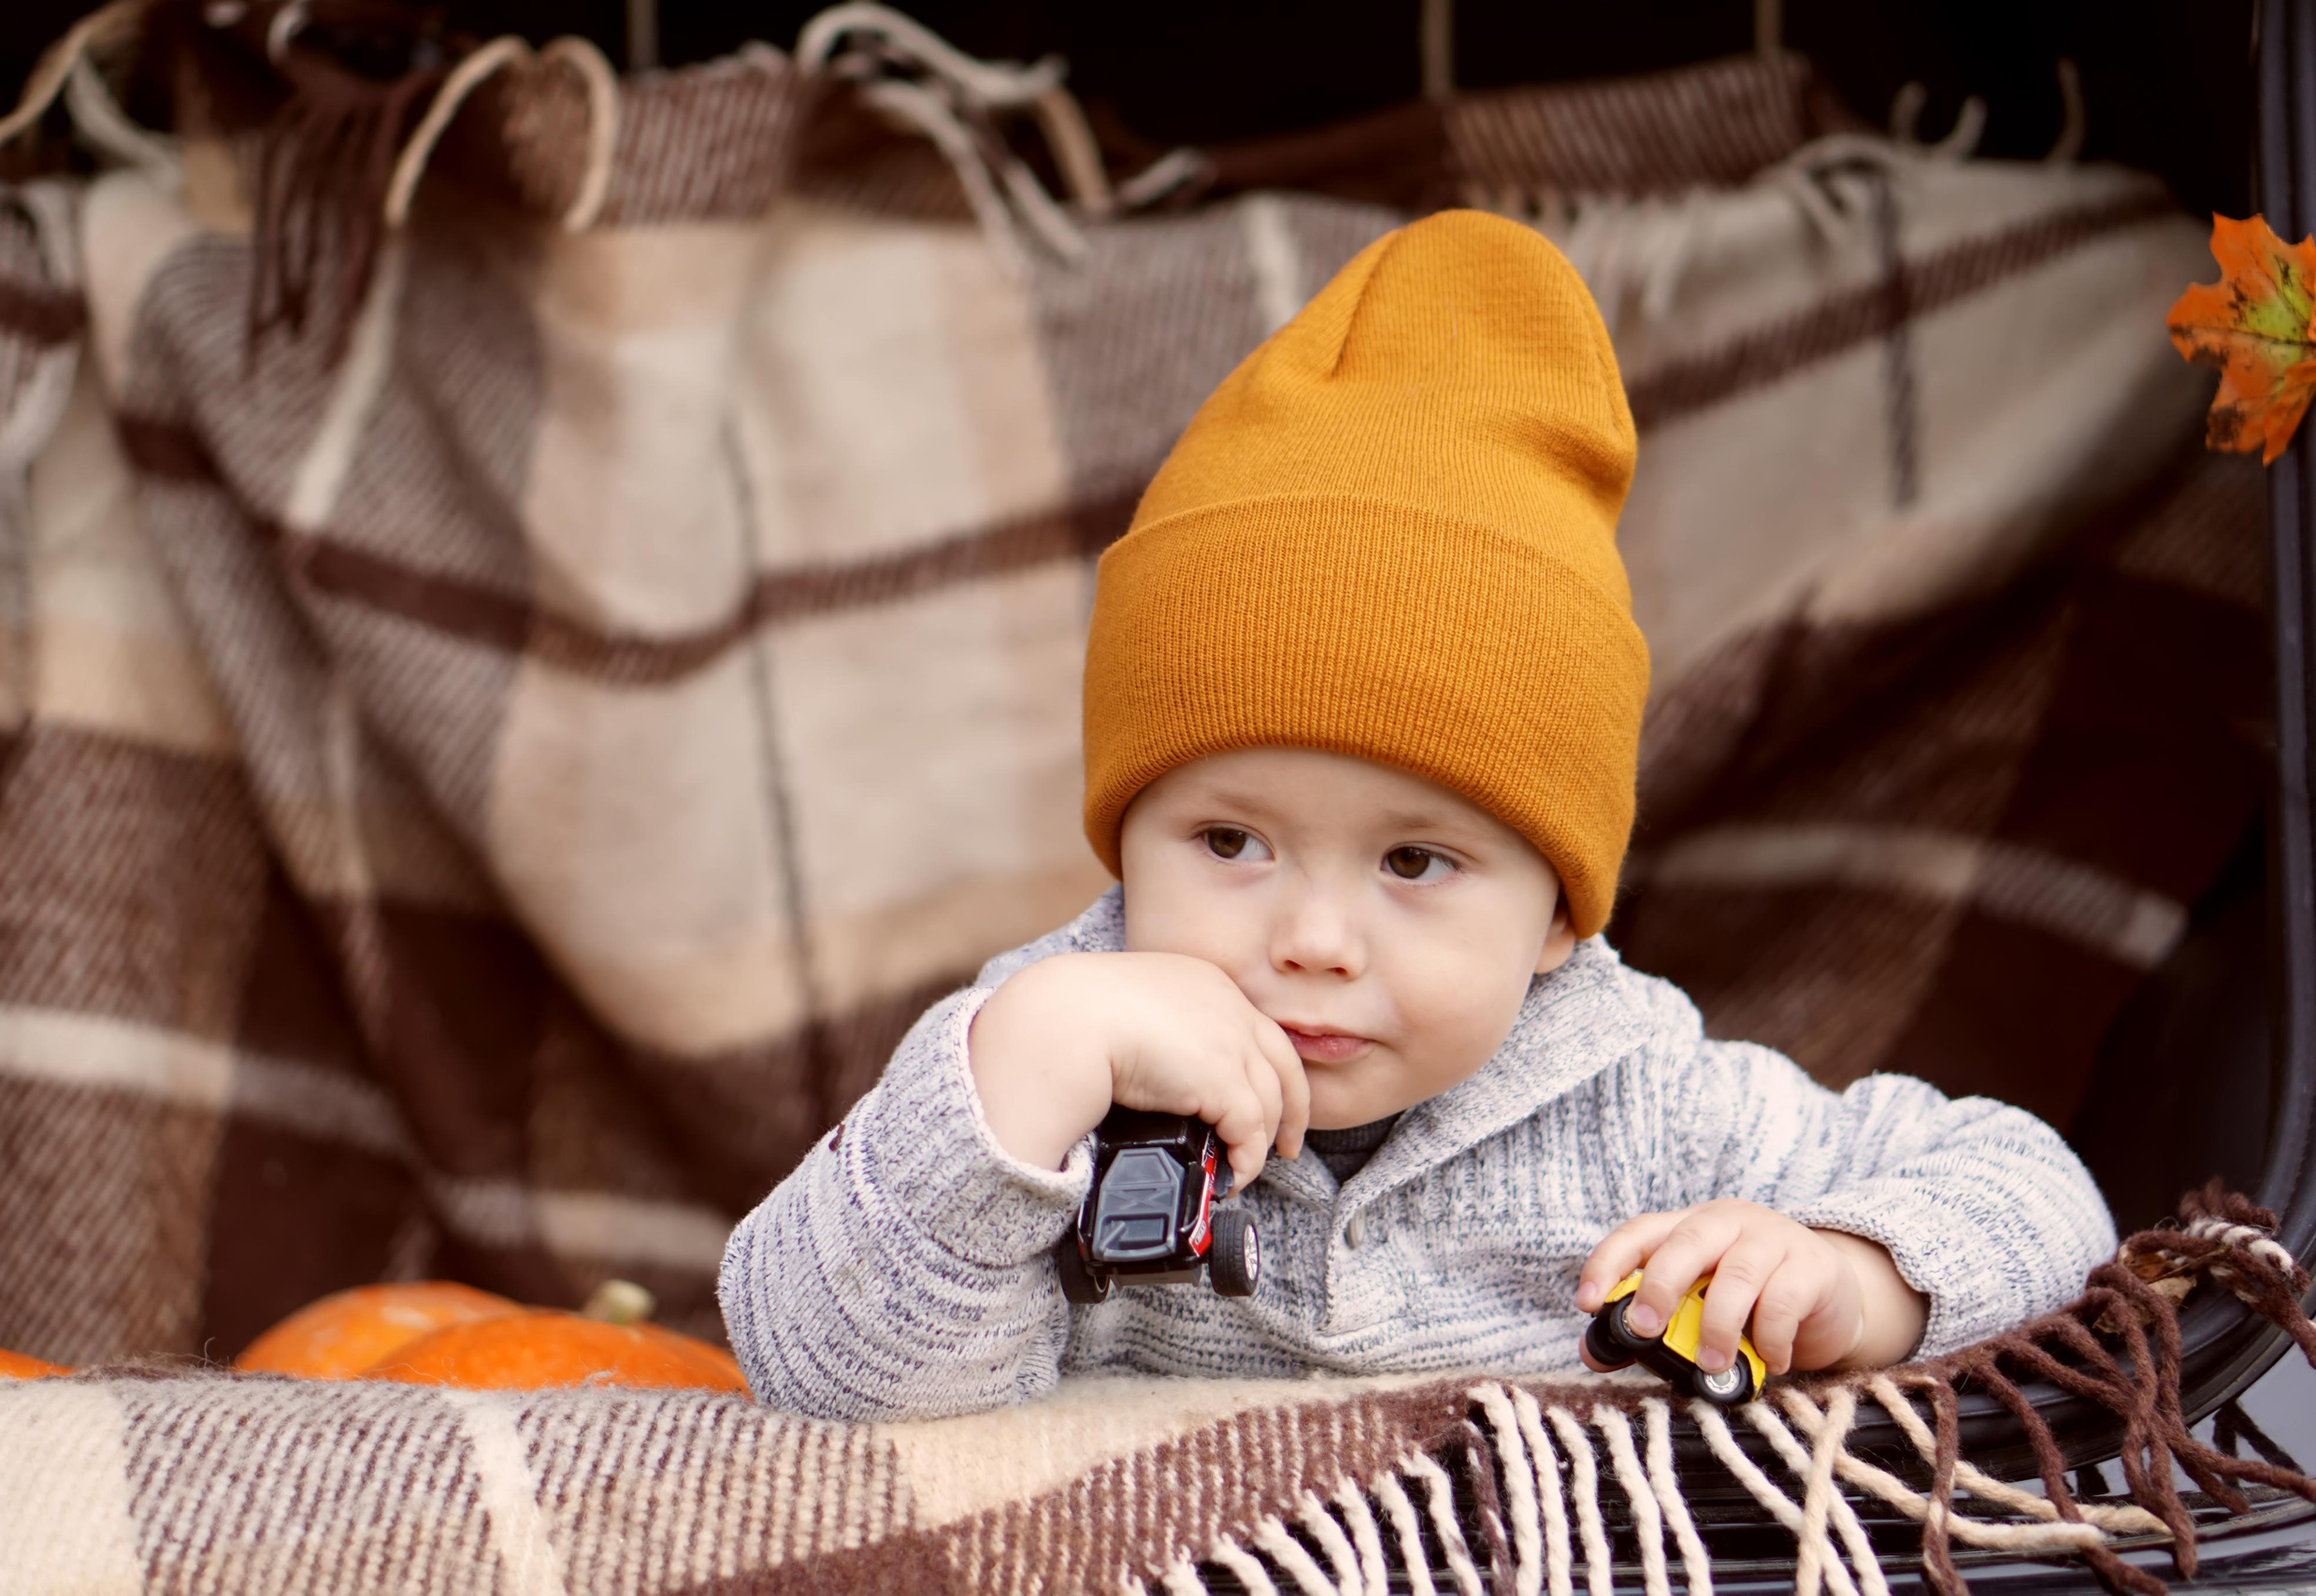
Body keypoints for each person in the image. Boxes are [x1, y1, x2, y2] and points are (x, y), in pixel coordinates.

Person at [717, 210, 2115, 1422]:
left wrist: (1852, 1278)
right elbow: (808, 1368)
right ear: (1126, 834)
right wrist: (1015, 1080)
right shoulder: (1047, 1056)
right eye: (1228, 843)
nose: (1314, 939)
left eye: (1415, 861)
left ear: (1560, 912)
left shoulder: (1641, 1098)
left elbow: (2043, 1198)